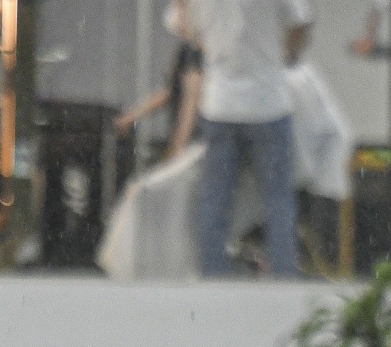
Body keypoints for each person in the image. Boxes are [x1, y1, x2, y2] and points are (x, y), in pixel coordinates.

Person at [187, 0, 313, 277]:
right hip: (268, 102)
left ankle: (214, 275)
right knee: (277, 199)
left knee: (215, 199)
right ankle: (282, 274)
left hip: (220, 102)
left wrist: (214, 45)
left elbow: (184, 24)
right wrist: (283, 56)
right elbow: (301, 22)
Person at [114, 5, 203, 162]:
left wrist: (179, 145)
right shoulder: (186, 51)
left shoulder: (196, 54)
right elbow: (169, 92)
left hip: (196, 142)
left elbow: (192, 101)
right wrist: (132, 115)